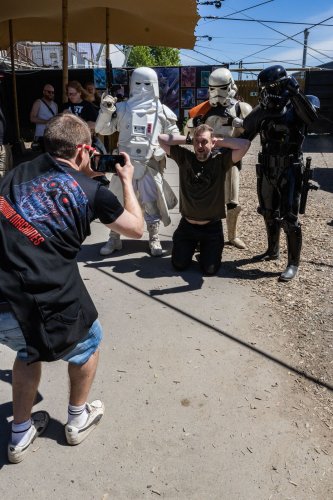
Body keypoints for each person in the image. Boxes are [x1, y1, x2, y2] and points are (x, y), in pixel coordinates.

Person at [0, 113, 143, 463]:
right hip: (48, 297)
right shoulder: (94, 192)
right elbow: (137, 229)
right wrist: (126, 180)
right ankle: (77, 420)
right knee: (88, 343)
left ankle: (19, 434)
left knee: (28, 351)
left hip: (1, 302)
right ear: (82, 149)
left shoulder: (14, 174)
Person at [242, 64, 319, 282]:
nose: (266, 92)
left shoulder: (297, 104)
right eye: (263, 88)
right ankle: (272, 249)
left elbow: (311, 119)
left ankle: (293, 263)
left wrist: (294, 93)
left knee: (289, 218)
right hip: (267, 166)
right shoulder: (266, 107)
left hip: (290, 166)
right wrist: (263, 108)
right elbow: (247, 129)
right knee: (268, 211)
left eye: (269, 87)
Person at [95, 67, 179, 257]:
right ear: (132, 85)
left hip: (150, 164)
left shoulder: (162, 111)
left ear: (155, 86)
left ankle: (154, 237)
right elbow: (103, 129)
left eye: (147, 84)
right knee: (118, 201)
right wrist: (106, 111)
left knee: (151, 202)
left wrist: (163, 146)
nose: (142, 88)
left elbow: (174, 136)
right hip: (125, 164)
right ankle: (114, 237)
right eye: (138, 83)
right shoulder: (123, 108)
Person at [158, 124, 250, 275]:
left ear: (212, 143)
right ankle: (190, 246)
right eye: (197, 142)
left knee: (210, 270)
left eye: (204, 142)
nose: (200, 146)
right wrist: (189, 139)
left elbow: (245, 144)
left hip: (211, 228)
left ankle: (205, 251)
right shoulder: (184, 158)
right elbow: (161, 139)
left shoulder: (220, 161)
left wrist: (217, 141)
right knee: (179, 265)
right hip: (187, 226)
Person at [185, 68, 252, 250]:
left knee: (232, 200)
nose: (217, 93)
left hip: (230, 159)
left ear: (230, 86)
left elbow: (250, 136)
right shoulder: (203, 109)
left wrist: (241, 124)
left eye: (221, 88)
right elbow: (189, 134)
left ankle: (232, 235)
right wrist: (192, 125)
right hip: (207, 160)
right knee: (206, 200)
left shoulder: (241, 108)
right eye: (213, 88)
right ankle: (203, 236)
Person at [30, 84, 58, 151]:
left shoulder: (55, 105)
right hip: (41, 135)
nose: (51, 94)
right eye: (49, 92)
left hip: (52, 135)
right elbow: (32, 118)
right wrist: (47, 122)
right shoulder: (38, 102)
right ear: (44, 92)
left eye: (52, 92)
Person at [0, 100, 13, 177]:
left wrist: (10, 140)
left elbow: (6, 122)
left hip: (5, 144)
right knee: (2, 175)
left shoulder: (3, 105)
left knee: (8, 173)